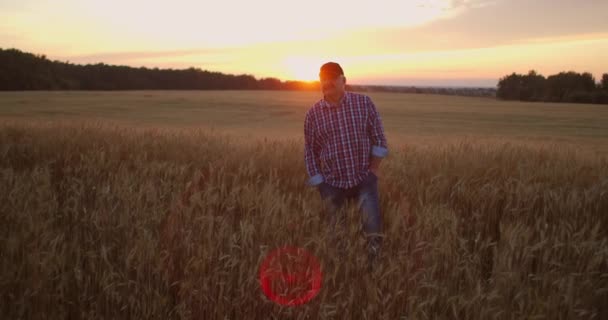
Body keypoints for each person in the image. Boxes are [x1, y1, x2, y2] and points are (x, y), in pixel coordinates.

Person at [304, 62, 389, 270]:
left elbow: (379, 139)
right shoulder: (313, 115)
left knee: (372, 229)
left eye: (333, 77)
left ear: (344, 80)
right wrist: (321, 185)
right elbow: (310, 153)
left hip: (363, 180)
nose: (327, 82)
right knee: (337, 234)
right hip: (332, 184)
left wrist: (373, 171)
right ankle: (341, 270)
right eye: (323, 77)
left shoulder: (364, 103)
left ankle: (373, 269)